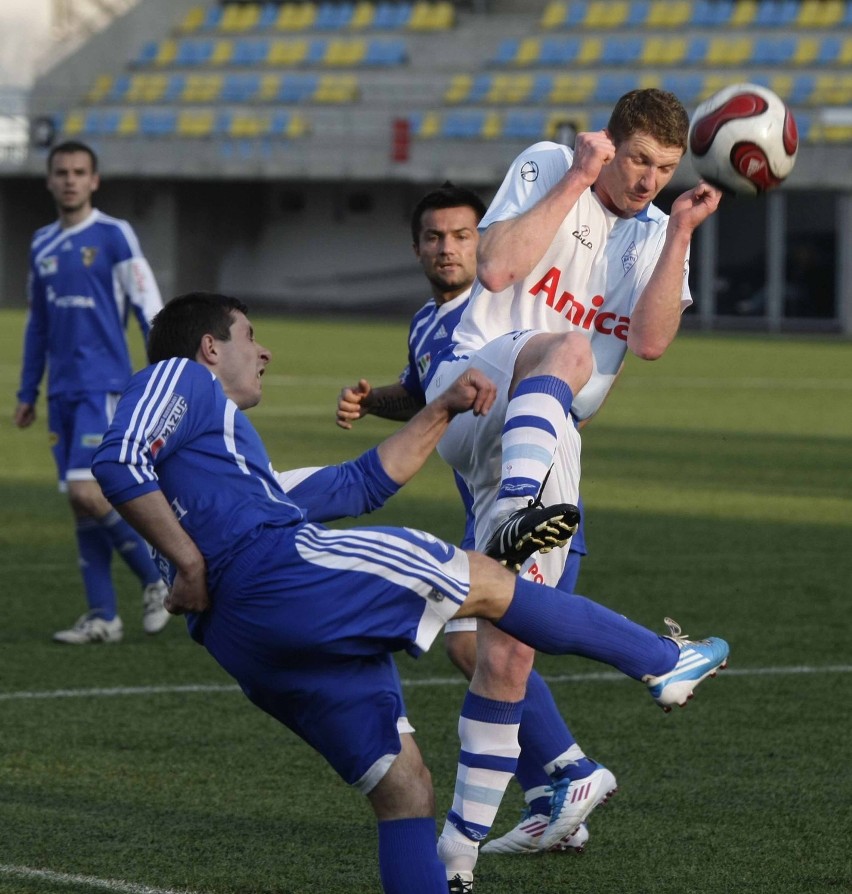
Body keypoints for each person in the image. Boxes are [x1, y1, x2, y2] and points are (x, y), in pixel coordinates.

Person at [91, 291, 728, 894]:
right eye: (249, 337)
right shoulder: (181, 377)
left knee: (404, 789)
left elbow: (359, 483)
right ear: (208, 348)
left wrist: (440, 409)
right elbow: (117, 461)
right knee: (480, 578)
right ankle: (664, 662)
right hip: (275, 573)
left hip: (244, 638)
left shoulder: (227, 472)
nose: (264, 352)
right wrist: (187, 565)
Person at [422, 89, 725, 886]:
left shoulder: (661, 229)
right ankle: (658, 658)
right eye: (637, 161)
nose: (648, 180)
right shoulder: (553, 164)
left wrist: (683, 232)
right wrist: (576, 175)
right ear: (609, 145)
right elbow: (495, 267)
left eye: (663, 168)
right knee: (568, 350)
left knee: (495, 649)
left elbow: (654, 343)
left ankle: (475, 840)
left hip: (541, 439)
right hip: (482, 391)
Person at [336, 182, 597, 855]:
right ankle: (552, 794)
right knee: (477, 646)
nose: (447, 248)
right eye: (434, 237)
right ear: (417, 246)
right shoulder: (427, 322)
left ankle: (568, 773)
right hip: (482, 508)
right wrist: (375, 402)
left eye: (460, 235)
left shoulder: (505, 301)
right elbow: (427, 394)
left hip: (530, 502)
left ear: (482, 240)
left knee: (482, 645)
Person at [14, 139, 169, 644]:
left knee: (88, 492)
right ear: (49, 180)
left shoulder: (114, 236)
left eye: (80, 172)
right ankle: (103, 615)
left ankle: (158, 578)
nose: (70, 180)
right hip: (61, 393)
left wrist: (162, 374)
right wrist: (26, 389)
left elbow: (148, 306)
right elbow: (38, 323)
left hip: (103, 385)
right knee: (80, 503)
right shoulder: (41, 243)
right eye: (61, 172)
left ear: (94, 180)